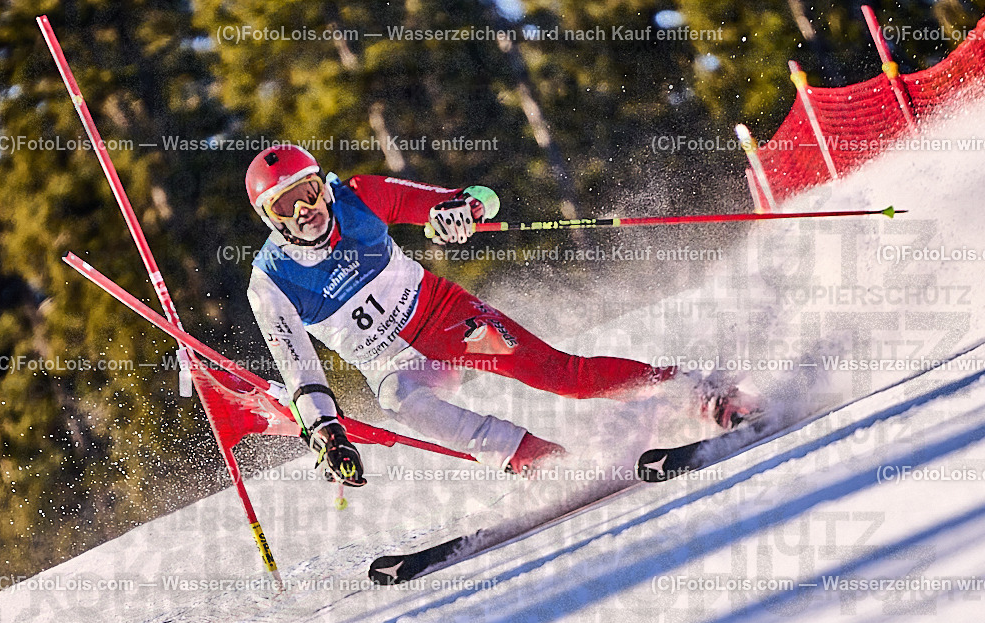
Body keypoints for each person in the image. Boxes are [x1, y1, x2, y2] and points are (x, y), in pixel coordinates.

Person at [245, 144, 757, 487]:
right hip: (395, 366)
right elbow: (299, 370)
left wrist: (461, 211)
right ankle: (547, 464)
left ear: (321, 186)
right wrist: (327, 433)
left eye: (308, 193)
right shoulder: (270, 283)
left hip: (451, 325)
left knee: (561, 375)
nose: (303, 211)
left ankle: (707, 395)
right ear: (268, 218)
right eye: (284, 206)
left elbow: (479, 199)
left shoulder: (361, 197)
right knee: (403, 401)